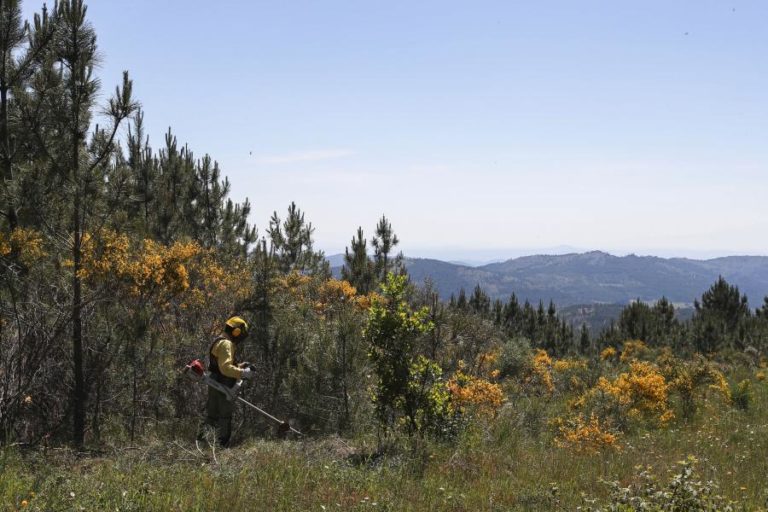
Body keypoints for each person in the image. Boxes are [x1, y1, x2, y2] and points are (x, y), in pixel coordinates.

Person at [197, 316, 253, 447]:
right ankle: (221, 447)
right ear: (236, 332)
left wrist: (240, 366)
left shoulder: (219, 340)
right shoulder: (227, 344)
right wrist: (243, 373)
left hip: (214, 381)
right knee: (224, 417)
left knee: (212, 415)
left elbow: (220, 365)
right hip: (223, 384)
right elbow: (225, 368)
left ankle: (202, 444)